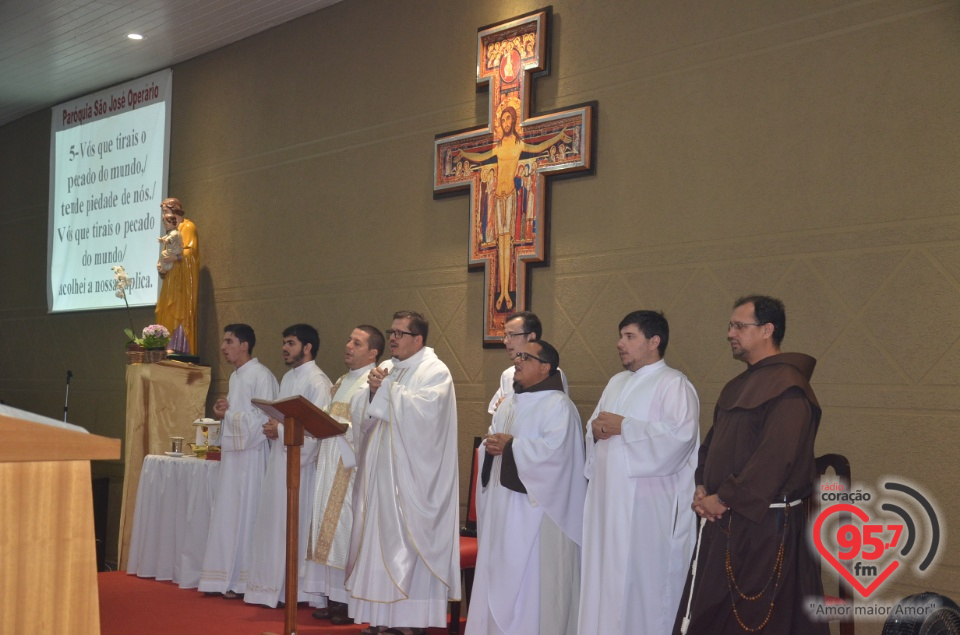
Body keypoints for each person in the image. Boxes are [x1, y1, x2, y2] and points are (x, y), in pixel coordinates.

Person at [673, 296, 828, 635]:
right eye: (730, 325)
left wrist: (725, 498)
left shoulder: (789, 387)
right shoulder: (737, 386)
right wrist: (702, 486)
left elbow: (776, 457)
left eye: (739, 326)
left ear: (767, 330)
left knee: (760, 621)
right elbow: (711, 446)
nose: (730, 333)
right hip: (724, 520)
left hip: (766, 528)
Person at [578, 310, 700, 635]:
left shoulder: (674, 384)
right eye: (621, 336)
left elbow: (680, 438)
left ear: (654, 341)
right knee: (603, 582)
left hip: (646, 511)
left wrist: (624, 427)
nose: (620, 344)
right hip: (607, 504)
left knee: (639, 589)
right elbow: (596, 425)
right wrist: (595, 430)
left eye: (629, 336)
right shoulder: (616, 382)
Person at [345, 311, 459, 635]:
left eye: (400, 333)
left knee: (406, 546)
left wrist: (386, 392)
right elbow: (363, 410)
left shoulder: (435, 371)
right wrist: (371, 392)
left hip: (414, 480)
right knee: (380, 543)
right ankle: (382, 618)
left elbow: (429, 416)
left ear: (418, 339)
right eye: (390, 332)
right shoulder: (389, 368)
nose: (392, 338)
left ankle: (410, 623)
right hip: (382, 475)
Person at [467, 339, 586, 635]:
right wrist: (490, 445)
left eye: (526, 357)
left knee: (531, 589)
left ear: (545, 367)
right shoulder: (509, 402)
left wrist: (512, 447)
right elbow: (493, 440)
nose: (517, 361)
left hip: (535, 513)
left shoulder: (560, 406)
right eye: (518, 356)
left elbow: (557, 457)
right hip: (502, 509)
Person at [244, 324, 332, 608]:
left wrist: (278, 431)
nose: (284, 348)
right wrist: (274, 426)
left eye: (291, 343)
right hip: (279, 462)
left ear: (307, 348)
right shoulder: (287, 377)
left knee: (293, 525)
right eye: (284, 342)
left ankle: (298, 591)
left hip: (300, 469)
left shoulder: (318, 382)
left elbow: (316, 432)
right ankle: (273, 588)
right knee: (274, 525)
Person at [304, 325, 384, 624]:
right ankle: (329, 594)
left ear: (373, 352)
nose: (348, 345)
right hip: (329, 460)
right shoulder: (340, 381)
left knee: (344, 530)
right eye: (349, 340)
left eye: (357, 342)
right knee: (326, 529)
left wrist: (339, 426)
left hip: (350, 466)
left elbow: (370, 424)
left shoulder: (372, 382)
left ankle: (347, 600)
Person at [456, 108, 572, 311]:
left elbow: (539, 147)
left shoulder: (519, 145)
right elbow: (481, 156)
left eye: (509, 118)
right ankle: (501, 292)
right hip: (497, 198)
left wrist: (558, 137)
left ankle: (504, 292)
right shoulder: (498, 147)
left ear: (514, 120)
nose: (506, 122)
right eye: (503, 119)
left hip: (510, 195)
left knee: (506, 243)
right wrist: (464, 154)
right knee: (499, 242)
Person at [198, 324, 278, 598]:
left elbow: (266, 419)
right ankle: (224, 577)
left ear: (244, 345)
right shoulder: (235, 377)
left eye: (229, 341)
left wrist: (230, 418)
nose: (223, 347)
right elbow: (240, 413)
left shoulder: (262, 375)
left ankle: (243, 580)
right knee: (231, 515)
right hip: (235, 456)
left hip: (252, 457)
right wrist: (224, 412)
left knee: (248, 515)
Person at [488, 311, 568, 415]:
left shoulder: (550, 374)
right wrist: (502, 408)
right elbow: (496, 412)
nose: (506, 341)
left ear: (531, 337)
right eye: (505, 335)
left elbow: (555, 413)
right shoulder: (507, 375)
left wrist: (509, 407)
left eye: (512, 335)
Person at [154, 197, 199, 355]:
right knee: (163, 310)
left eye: (166, 212)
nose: (163, 216)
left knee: (178, 311)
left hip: (182, 283)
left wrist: (176, 258)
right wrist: (162, 268)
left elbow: (191, 253)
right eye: (163, 213)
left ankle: (179, 346)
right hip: (170, 280)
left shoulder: (188, 227)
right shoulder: (171, 232)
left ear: (175, 211)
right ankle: (166, 345)